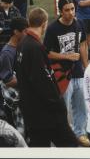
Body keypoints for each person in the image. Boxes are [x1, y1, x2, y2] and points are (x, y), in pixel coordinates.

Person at [15, 8, 78, 147]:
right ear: (44, 23)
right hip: (47, 115)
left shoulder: (22, 44)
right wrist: (59, 106)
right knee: (72, 148)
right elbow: (43, 82)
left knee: (39, 149)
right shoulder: (35, 47)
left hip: (32, 113)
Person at [43, 0, 90, 147]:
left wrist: (86, 66)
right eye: (67, 10)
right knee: (63, 108)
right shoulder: (52, 28)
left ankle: (80, 133)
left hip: (78, 72)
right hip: (61, 75)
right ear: (60, 11)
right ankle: (60, 136)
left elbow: (83, 45)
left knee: (81, 105)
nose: (70, 13)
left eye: (72, 9)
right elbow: (46, 53)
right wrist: (66, 56)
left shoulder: (79, 23)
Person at [0, 17, 28, 138]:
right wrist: (28, 78)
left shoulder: (24, 45)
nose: (27, 33)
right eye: (25, 31)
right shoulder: (7, 53)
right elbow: (8, 81)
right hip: (15, 98)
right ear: (16, 32)